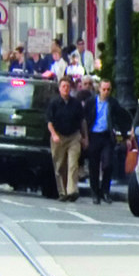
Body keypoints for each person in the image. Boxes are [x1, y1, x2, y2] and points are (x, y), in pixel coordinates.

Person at [84, 74, 131, 204]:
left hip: (106, 136)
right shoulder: (90, 102)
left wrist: (125, 136)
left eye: (108, 89)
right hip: (94, 135)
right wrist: (84, 136)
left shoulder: (113, 103)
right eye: (104, 89)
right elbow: (84, 119)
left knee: (108, 165)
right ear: (99, 89)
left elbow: (120, 119)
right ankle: (95, 192)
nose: (106, 92)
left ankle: (105, 191)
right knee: (93, 165)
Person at [46, 73, 88, 201]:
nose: (66, 89)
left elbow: (82, 121)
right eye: (63, 86)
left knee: (73, 164)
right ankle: (62, 192)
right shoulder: (54, 103)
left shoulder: (76, 104)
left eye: (68, 86)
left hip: (74, 136)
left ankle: (72, 191)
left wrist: (85, 137)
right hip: (59, 136)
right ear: (60, 88)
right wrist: (54, 135)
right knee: (60, 166)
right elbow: (49, 122)